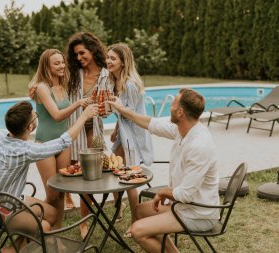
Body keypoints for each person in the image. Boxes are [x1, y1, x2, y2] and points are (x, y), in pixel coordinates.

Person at [107, 88, 219, 253]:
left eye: (173, 103)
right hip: (183, 206)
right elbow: (150, 123)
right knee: (139, 210)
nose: (169, 107)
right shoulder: (181, 129)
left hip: (198, 213)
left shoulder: (199, 145)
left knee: (138, 230)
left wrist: (164, 193)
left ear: (180, 112)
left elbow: (187, 195)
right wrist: (121, 109)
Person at [0, 100, 98, 253]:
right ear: (29, 127)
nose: (36, 117)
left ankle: (11, 250)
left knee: (52, 214)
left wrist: (1, 181)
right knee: (45, 227)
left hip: (10, 199)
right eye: (35, 117)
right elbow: (62, 143)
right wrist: (83, 117)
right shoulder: (25, 150)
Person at [29, 49, 89, 229]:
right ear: (46, 66)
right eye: (57, 63)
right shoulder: (41, 87)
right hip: (45, 146)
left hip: (63, 144)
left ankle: (57, 230)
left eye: (62, 62)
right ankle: (32, 221)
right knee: (52, 194)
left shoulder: (63, 85)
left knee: (62, 192)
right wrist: (79, 104)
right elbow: (56, 115)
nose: (62, 65)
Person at [66, 31, 113, 238]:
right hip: (72, 127)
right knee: (72, 174)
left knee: (91, 175)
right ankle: (81, 213)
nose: (79, 58)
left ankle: (84, 221)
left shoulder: (106, 74)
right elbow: (47, 72)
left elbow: (110, 107)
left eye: (82, 53)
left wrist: (106, 109)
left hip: (94, 127)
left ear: (93, 50)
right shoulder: (73, 73)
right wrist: (34, 85)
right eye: (76, 55)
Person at [106, 43, 154, 237]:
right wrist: (117, 129)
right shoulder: (114, 81)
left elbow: (132, 115)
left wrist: (121, 124)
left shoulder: (130, 85)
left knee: (129, 179)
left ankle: (136, 221)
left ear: (123, 62)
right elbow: (123, 114)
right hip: (124, 133)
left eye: (112, 59)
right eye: (107, 58)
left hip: (134, 136)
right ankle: (120, 205)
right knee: (112, 169)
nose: (108, 61)